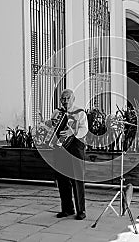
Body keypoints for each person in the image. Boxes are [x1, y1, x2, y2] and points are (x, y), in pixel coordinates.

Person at [46, 89, 88, 220]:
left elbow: (84, 129)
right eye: (63, 99)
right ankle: (67, 209)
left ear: (73, 99)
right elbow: (52, 128)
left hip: (75, 147)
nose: (65, 101)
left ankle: (81, 210)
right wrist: (48, 124)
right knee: (62, 179)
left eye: (68, 98)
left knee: (77, 179)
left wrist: (72, 133)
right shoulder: (57, 112)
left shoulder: (80, 113)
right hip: (60, 148)